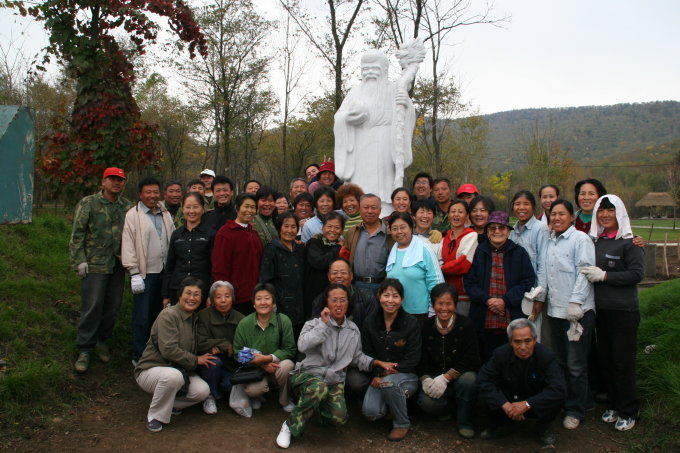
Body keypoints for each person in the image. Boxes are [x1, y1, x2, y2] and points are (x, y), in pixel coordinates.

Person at [275, 284, 397, 449]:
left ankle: (313, 407)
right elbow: (302, 345)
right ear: (326, 303)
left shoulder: (353, 330)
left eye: (343, 300)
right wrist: (323, 326)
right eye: (334, 300)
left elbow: (356, 357)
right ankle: (290, 425)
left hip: (334, 380)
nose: (338, 304)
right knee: (318, 388)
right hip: (308, 376)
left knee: (338, 418)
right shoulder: (314, 323)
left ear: (348, 303)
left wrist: (377, 362)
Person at [582, 194, 644, 432]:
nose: (605, 215)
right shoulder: (595, 241)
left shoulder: (630, 242)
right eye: (601, 210)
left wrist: (606, 276)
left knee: (623, 361)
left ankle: (629, 409)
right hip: (601, 310)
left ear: (619, 213)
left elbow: (636, 274)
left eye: (610, 211)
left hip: (623, 310)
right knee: (606, 359)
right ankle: (613, 404)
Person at [334, 49, 416, 215]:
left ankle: (385, 211)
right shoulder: (355, 92)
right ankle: (359, 212)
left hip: (385, 145)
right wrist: (348, 118)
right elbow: (339, 117)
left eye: (375, 68)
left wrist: (406, 106)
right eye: (366, 69)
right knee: (359, 188)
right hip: (359, 147)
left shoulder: (395, 89)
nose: (370, 72)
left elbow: (407, 116)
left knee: (384, 188)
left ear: (384, 71)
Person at [70, 167, 132, 373]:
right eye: (112, 179)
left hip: (117, 265)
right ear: (103, 182)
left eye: (120, 180)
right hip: (95, 264)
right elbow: (77, 233)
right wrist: (79, 260)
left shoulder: (126, 206)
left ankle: (102, 340)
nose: (116, 183)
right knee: (92, 305)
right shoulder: (89, 203)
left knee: (113, 306)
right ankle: (85, 348)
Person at [134, 277, 215, 432]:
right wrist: (195, 360)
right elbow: (168, 350)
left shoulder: (194, 319)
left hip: (178, 371)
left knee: (202, 391)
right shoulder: (168, 315)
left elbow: (201, 343)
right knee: (173, 376)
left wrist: (221, 345)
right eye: (188, 293)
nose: (192, 298)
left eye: (197, 294)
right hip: (152, 369)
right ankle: (155, 416)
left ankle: (168, 404)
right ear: (179, 296)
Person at [543, 199, 595, 430]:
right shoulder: (550, 241)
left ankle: (576, 409)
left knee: (576, 364)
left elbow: (585, 272)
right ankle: (569, 401)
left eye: (561, 214)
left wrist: (576, 302)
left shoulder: (580, 240)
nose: (556, 218)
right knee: (561, 361)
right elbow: (545, 271)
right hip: (555, 310)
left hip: (577, 313)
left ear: (571, 217)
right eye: (553, 214)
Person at [477, 319, 566, 448]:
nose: (523, 347)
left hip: (534, 403)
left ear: (535, 340)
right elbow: (483, 379)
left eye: (527, 341)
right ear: (510, 342)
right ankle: (502, 422)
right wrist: (505, 404)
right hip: (509, 401)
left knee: (558, 397)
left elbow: (558, 389)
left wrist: (527, 404)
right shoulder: (500, 354)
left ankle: (544, 427)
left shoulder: (547, 356)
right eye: (517, 342)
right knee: (483, 393)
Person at [464, 211, 535, 361]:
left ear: (508, 232)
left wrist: (506, 301)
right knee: (484, 359)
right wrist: (487, 300)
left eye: (501, 228)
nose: (497, 231)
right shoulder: (479, 251)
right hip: (483, 316)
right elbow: (469, 282)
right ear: (488, 232)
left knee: (511, 360)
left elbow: (528, 280)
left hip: (511, 316)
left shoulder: (519, 253)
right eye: (493, 228)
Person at [122, 176, 175, 365]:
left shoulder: (164, 212)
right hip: (145, 275)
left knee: (158, 316)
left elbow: (172, 238)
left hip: (164, 273)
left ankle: (157, 352)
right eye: (148, 192)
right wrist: (134, 272)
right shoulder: (133, 215)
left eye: (155, 192)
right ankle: (139, 355)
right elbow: (128, 244)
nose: (152, 196)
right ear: (140, 194)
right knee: (141, 317)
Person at [361, 279, 422, 442]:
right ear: (378, 296)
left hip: (407, 376)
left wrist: (388, 374)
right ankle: (391, 403)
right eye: (386, 295)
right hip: (379, 374)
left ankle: (402, 423)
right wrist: (379, 372)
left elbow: (413, 358)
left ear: (401, 299)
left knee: (390, 383)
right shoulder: (370, 322)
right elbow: (367, 353)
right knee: (371, 413)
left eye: (395, 296)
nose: (390, 300)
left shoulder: (411, 323)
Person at [417, 283, 480, 439]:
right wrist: (425, 378)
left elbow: (473, 357)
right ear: (433, 304)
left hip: (459, 377)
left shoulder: (465, 324)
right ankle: (447, 409)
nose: (444, 308)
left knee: (469, 380)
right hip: (435, 376)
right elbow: (421, 356)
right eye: (440, 304)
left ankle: (465, 421)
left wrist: (447, 377)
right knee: (425, 402)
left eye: (449, 304)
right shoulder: (426, 325)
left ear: (455, 305)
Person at [232, 284, 296, 416]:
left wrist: (269, 358)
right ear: (254, 304)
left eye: (267, 298)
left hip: (276, 366)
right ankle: (257, 397)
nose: (263, 302)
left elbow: (290, 349)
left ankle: (284, 400)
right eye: (259, 299)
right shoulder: (245, 323)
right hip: (255, 369)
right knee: (253, 390)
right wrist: (262, 364)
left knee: (288, 366)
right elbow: (237, 353)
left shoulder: (283, 321)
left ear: (273, 303)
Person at [197, 281, 244, 414]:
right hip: (208, 364)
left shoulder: (240, 318)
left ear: (233, 298)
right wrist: (223, 344)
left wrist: (231, 350)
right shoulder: (203, 316)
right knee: (214, 361)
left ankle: (219, 390)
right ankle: (210, 396)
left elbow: (244, 346)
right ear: (212, 300)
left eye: (227, 296)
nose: (223, 300)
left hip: (231, 364)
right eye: (218, 297)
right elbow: (199, 342)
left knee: (228, 385)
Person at [212, 193, 263, 315]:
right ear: (237, 208)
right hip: (235, 298)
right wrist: (224, 295)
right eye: (246, 206)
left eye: (253, 207)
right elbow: (219, 267)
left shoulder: (254, 234)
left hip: (254, 296)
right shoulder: (226, 233)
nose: (249, 210)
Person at [386, 211, 444, 320]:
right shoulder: (393, 250)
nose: (399, 232)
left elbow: (436, 282)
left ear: (411, 228)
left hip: (421, 313)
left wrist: (433, 311)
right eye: (394, 228)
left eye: (403, 227)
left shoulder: (424, 249)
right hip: (396, 312)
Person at [509, 190, 550, 342]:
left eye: (526, 204)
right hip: (516, 293)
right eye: (517, 204)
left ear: (533, 207)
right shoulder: (512, 232)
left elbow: (543, 265)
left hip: (533, 294)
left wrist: (540, 299)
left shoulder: (540, 229)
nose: (521, 208)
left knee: (533, 337)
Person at [162, 192, 214, 307]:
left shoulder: (210, 234)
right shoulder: (176, 234)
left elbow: (213, 266)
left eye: (195, 207)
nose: (191, 211)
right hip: (177, 289)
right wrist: (165, 295)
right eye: (188, 207)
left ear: (203, 209)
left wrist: (211, 294)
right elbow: (170, 266)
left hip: (202, 290)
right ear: (182, 208)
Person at [259, 212, 306, 338]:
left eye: (293, 227)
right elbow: (266, 279)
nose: (290, 230)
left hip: (300, 304)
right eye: (286, 226)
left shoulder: (301, 248)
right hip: (281, 304)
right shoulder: (272, 249)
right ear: (279, 228)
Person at [340, 194, 394, 294]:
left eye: (373, 208)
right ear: (360, 209)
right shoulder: (352, 232)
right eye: (366, 207)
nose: (369, 211)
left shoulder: (390, 234)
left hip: (382, 287)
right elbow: (345, 259)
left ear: (380, 210)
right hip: (356, 286)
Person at [310, 258, 379, 333]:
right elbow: (315, 331)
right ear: (329, 276)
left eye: (343, 272)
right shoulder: (319, 301)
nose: (339, 276)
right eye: (335, 273)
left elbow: (371, 329)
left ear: (351, 276)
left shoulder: (367, 297)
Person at [441, 199, 478, 316]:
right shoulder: (446, 236)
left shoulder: (471, 235)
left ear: (467, 215)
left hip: (462, 293)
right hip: (444, 292)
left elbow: (462, 265)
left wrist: (440, 268)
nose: (456, 215)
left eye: (460, 212)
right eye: (453, 211)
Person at [303, 212, 343, 318]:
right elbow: (320, 262)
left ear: (342, 230)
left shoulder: (343, 246)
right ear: (323, 227)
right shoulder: (314, 243)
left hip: (335, 296)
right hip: (315, 294)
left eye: (337, 227)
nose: (332, 230)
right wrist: (337, 248)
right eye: (329, 226)